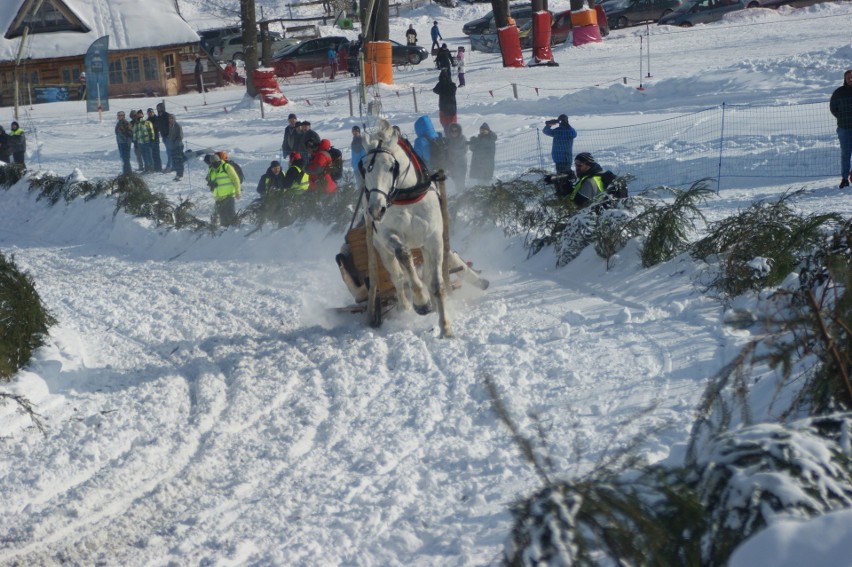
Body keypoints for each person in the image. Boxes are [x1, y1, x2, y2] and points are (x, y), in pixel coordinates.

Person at [829, 69, 852, 188]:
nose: (851, 79)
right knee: (846, 154)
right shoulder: (838, 93)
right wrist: (842, 117)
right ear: (845, 79)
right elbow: (833, 109)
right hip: (844, 129)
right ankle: (844, 178)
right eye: (849, 77)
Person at [205, 152, 241, 227]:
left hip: (229, 195)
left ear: (219, 161)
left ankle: (235, 230)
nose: (214, 165)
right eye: (213, 163)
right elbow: (209, 180)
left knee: (230, 214)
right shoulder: (211, 170)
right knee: (222, 217)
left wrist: (238, 192)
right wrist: (211, 183)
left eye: (216, 163)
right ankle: (225, 233)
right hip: (218, 198)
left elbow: (236, 179)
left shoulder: (226, 167)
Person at [445, 122, 467, 189]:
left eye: (456, 130)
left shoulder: (462, 138)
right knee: (453, 182)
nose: (454, 132)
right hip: (451, 164)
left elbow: (464, 150)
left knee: (460, 181)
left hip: (461, 164)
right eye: (452, 131)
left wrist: (454, 151)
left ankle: (462, 195)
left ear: (459, 131)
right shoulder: (449, 140)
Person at [167, 114, 185, 181]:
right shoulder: (170, 126)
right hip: (172, 146)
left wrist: (175, 141)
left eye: (172, 118)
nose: (170, 120)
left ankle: (180, 174)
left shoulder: (178, 126)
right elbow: (170, 135)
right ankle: (177, 172)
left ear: (174, 119)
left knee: (179, 160)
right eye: (169, 118)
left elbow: (181, 136)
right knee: (175, 160)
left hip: (178, 145)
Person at [156, 102, 173, 172]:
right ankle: (171, 166)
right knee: (168, 152)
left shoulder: (166, 115)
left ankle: (169, 166)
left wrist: (170, 134)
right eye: (157, 108)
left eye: (159, 107)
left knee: (170, 152)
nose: (158, 109)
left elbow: (171, 125)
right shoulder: (159, 116)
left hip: (168, 136)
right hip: (164, 136)